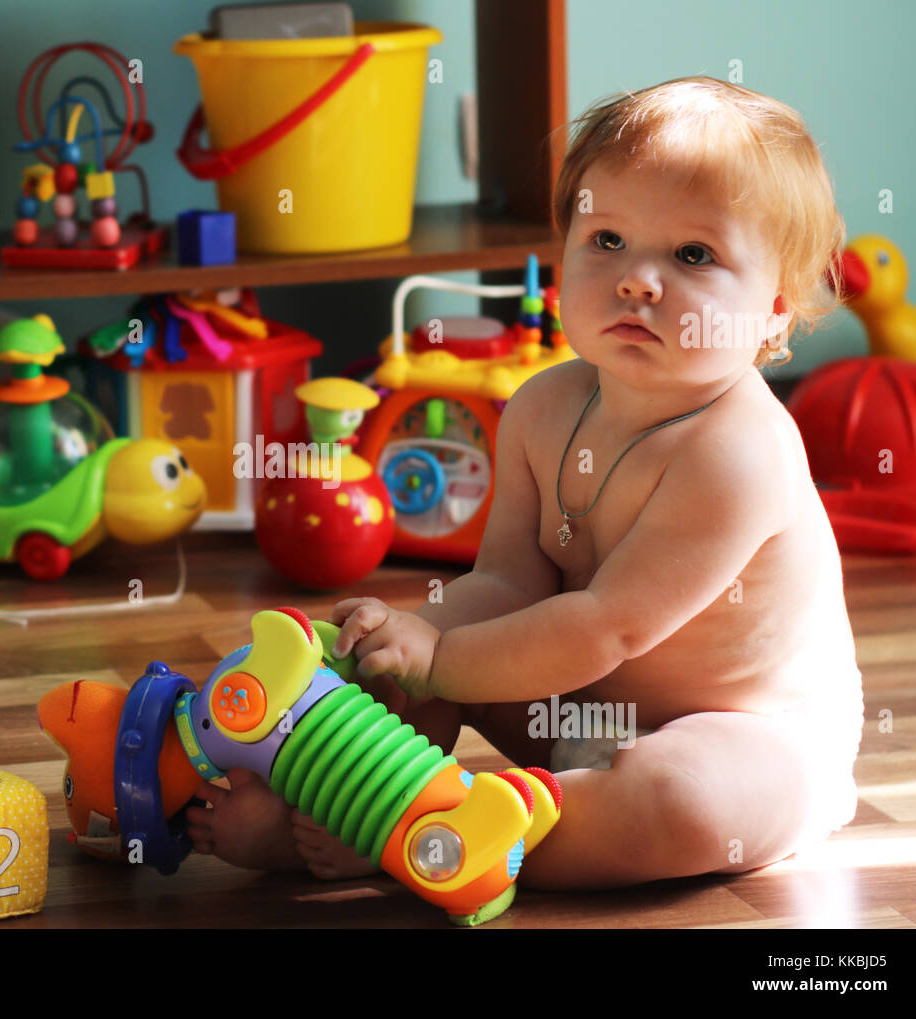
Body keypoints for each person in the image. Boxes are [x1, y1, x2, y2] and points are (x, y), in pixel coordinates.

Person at [187, 76, 863, 889]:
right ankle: (334, 793)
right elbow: (508, 582)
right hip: (575, 714)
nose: (637, 280)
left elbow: (607, 627)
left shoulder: (738, 453)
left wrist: (444, 660)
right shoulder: (542, 407)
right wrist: (413, 644)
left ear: (776, 311)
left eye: (692, 255)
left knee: (683, 801)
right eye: (607, 238)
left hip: (742, 736)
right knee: (392, 662)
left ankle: (437, 836)